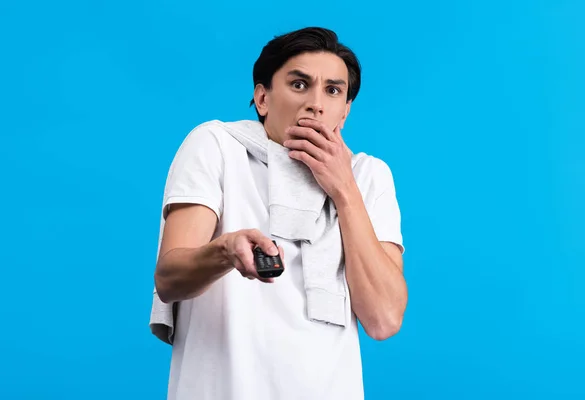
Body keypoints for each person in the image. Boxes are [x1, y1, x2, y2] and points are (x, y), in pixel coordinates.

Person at [149, 26, 408, 400]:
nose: (316, 103)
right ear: (263, 98)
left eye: (333, 90)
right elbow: (169, 279)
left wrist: (344, 190)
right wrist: (224, 250)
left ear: (345, 111)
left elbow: (384, 318)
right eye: (299, 84)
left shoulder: (369, 177)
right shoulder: (217, 146)